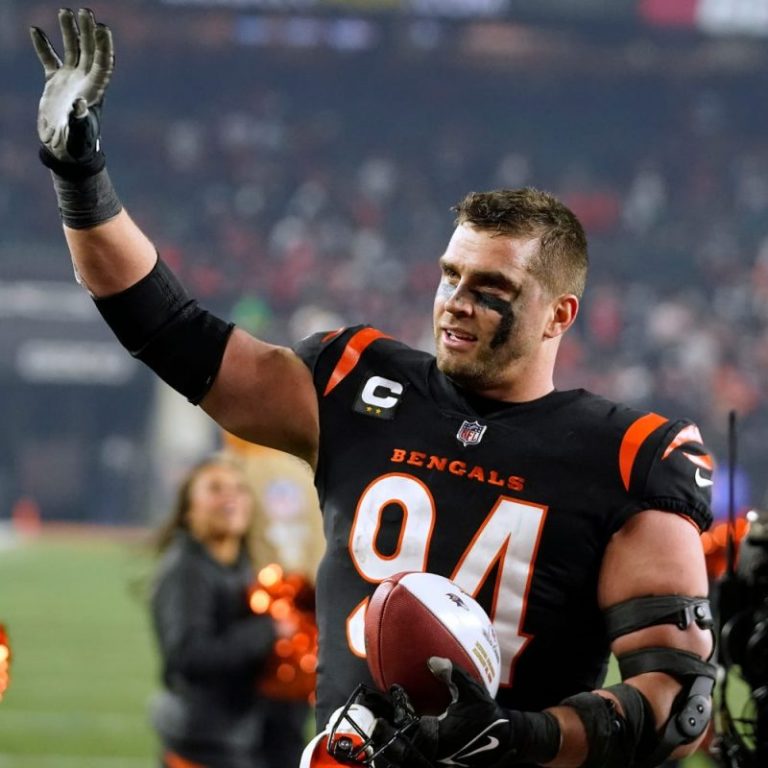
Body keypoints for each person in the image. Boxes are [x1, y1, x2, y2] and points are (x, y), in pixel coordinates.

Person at [31, 9, 717, 768]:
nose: (456, 302)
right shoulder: (359, 381)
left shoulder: (625, 456)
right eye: (450, 276)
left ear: (560, 314)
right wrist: (81, 180)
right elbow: (170, 332)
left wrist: (518, 736)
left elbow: (678, 706)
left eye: (491, 288)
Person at [148, 454, 279, 768]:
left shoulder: (240, 563)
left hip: (237, 735)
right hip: (202, 744)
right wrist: (268, 631)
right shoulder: (186, 570)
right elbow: (188, 654)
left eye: (239, 488)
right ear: (189, 510)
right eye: (215, 488)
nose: (230, 497)